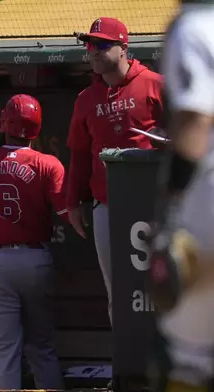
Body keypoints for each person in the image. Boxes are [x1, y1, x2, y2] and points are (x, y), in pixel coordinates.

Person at [67, 17, 164, 323]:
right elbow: (80, 155)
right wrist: (72, 203)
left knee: (160, 287)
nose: (93, 50)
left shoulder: (154, 84)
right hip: (107, 204)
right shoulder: (86, 99)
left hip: (152, 202)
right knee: (118, 292)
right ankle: (124, 367)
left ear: (123, 47)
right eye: (90, 44)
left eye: (101, 44)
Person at [0, 94, 66, 390]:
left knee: (4, 353)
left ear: (4, 124)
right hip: (36, 258)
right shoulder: (48, 164)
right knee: (42, 346)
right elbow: (66, 212)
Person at [146, 1, 214, 391]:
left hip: (206, 191)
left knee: (190, 357)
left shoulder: (195, 26)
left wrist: (171, 204)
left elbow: (194, 119)